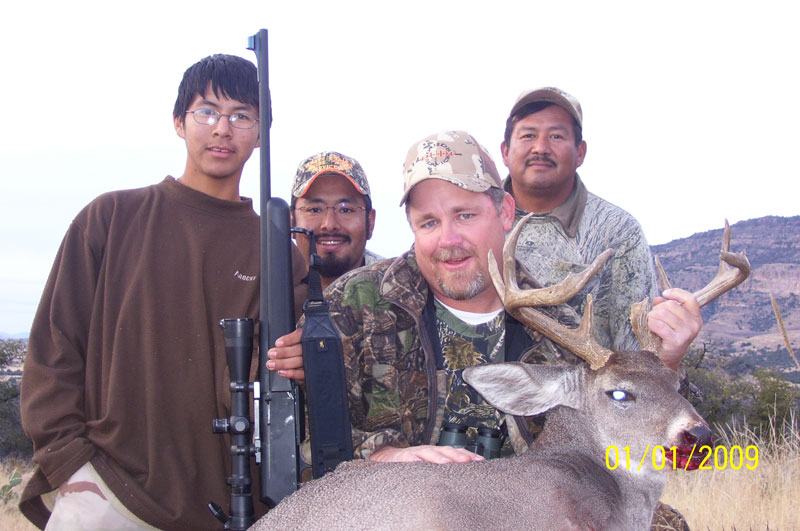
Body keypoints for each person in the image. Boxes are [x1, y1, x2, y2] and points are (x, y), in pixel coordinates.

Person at [268, 130, 702, 460]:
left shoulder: (562, 328)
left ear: (505, 212)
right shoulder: (352, 305)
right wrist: (385, 458)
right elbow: (302, 441)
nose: (448, 240)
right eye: (429, 222)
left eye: (465, 215)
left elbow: (643, 454)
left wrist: (665, 362)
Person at [19, 54, 304, 530]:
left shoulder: (280, 255)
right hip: (107, 494)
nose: (222, 129)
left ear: (261, 133)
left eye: (241, 115)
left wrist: (300, 361)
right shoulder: (110, 218)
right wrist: (71, 466)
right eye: (207, 111)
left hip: (233, 509)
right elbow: (54, 347)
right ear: (178, 122)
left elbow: (284, 387)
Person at [500, 87, 689, 370]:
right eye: (528, 135)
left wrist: (669, 355)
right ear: (505, 152)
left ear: (580, 153)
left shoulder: (618, 231)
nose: (540, 148)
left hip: (583, 394)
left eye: (556, 136)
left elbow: (635, 354)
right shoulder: (471, 221)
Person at [288, 152, 383, 319]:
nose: (329, 224)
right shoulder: (266, 287)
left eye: (345, 210)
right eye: (314, 210)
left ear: (370, 222)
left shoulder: (399, 289)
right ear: (291, 221)